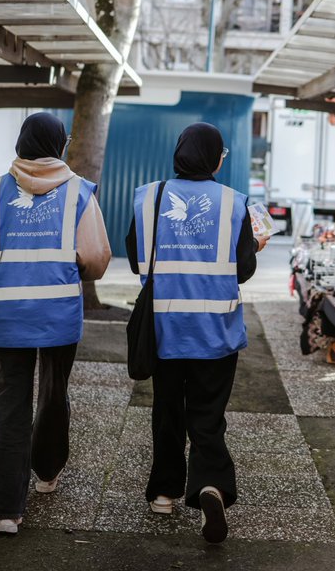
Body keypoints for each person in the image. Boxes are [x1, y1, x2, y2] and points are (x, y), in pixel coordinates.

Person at [126, 123, 267, 544]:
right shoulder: (234, 203)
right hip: (216, 330)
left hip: (165, 327)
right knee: (207, 415)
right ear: (214, 158)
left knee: (167, 410)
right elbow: (242, 269)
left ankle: (165, 493)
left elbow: (136, 260)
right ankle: (211, 485)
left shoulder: (149, 197)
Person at [0, 113, 111, 535]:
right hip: (57, 314)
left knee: (9, 405)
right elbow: (96, 257)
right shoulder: (77, 193)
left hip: (7, 315)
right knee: (54, 394)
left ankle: (5, 512)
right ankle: (47, 471)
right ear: (59, 145)